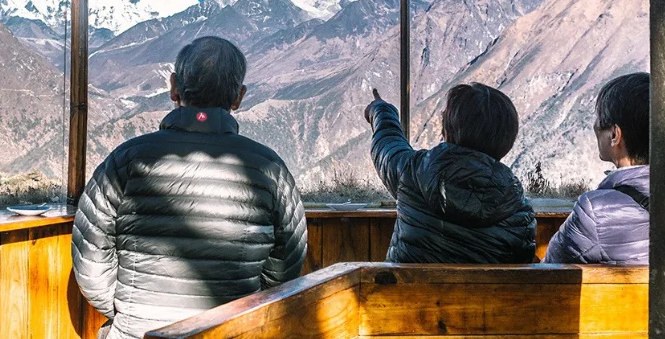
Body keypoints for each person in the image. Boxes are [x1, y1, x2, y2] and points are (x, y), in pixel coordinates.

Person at [71, 36, 307, 339]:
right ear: (239, 97)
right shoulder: (270, 168)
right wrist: (250, 308)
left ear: (173, 87)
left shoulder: (125, 161)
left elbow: (90, 255)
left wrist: (127, 311)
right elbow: (288, 262)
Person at [364, 83, 536, 263]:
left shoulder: (413, 173)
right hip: (486, 292)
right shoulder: (518, 210)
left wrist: (381, 109)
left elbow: (388, 144)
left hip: (405, 291)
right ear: (507, 143)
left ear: (446, 131)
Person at [544, 73, 650, 265]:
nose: (594, 126)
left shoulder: (595, 212)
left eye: (599, 119)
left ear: (615, 135)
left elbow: (549, 273)